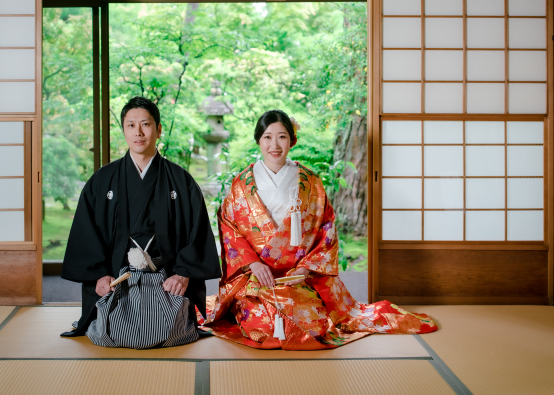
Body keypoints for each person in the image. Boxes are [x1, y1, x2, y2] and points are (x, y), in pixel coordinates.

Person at [202, 110, 438, 349]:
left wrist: (306, 268)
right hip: (257, 279)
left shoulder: (310, 182)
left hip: (299, 277)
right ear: (258, 140)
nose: (274, 145)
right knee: (264, 329)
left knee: (312, 326)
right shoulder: (242, 184)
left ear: (291, 140)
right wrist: (253, 263)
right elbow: (229, 227)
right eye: (267, 137)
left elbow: (327, 230)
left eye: (281, 137)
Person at [60, 96, 221, 348]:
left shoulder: (181, 181)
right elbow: (86, 235)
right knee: (110, 334)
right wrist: (99, 276)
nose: (138, 132)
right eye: (131, 125)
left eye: (145, 124)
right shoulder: (103, 181)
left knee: (169, 333)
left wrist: (182, 275)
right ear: (123, 129)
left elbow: (197, 233)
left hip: (166, 279)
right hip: (118, 279)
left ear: (158, 129)